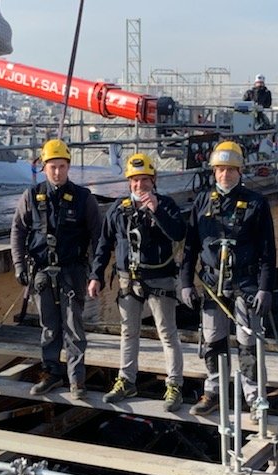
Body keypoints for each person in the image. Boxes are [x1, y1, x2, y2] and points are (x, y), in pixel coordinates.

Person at [180, 141, 276, 416]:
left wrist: (265, 288)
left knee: (248, 342)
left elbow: (268, 251)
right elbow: (190, 247)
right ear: (214, 171)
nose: (225, 175)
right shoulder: (203, 202)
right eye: (220, 170)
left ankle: (254, 397)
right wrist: (186, 283)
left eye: (230, 170)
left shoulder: (256, 203)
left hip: (245, 284)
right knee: (213, 339)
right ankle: (213, 391)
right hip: (213, 284)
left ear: (239, 171)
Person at [88, 153, 187, 411]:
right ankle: (126, 380)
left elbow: (179, 233)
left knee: (167, 333)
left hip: (160, 280)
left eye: (144, 180)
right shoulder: (119, 209)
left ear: (153, 180)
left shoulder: (166, 205)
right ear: (129, 182)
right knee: (128, 333)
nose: (139, 185)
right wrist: (96, 275)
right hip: (128, 281)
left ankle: (174, 385)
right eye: (135, 180)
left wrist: (156, 211)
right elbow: (104, 244)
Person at [11, 139, 101, 400]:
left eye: (62, 166)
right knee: (49, 327)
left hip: (72, 272)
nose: (57, 172)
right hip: (41, 272)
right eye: (52, 167)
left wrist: (96, 273)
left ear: (68, 166)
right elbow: (17, 231)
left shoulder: (83, 198)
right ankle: (51, 372)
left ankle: (77, 379)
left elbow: (99, 237)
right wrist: (19, 265)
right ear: (45, 167)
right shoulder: (31, 196)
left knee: (73, 326)